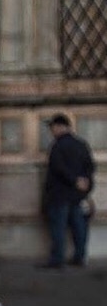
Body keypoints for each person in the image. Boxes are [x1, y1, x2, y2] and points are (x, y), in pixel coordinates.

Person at [41, 112, 94, 268]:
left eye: (52, 127)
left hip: (59, 194)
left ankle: (57, 260)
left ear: (59, 127)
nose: (52, 131)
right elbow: (90, 166)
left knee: (59, 227)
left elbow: (58, 168)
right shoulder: (81, 144)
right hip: (78, 195)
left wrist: (74, 180)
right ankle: (79, 257)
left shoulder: (57, 146)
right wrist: (84, 182)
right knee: (79, 227)